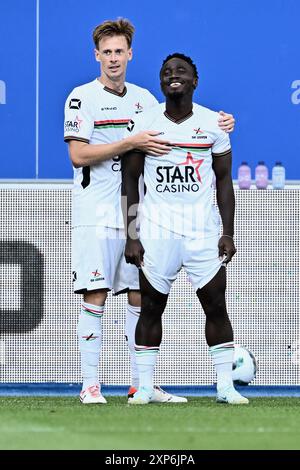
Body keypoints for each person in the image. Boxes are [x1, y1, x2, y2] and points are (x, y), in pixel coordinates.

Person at [64, 18, 236, 404]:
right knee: (95, 293)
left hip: (137, 216)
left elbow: (190, 126)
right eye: (106, 52)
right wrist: (130, 141)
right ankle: (90, 384)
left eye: (119, 51)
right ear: (96, 55)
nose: (112, 59)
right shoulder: (81, 97)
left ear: (130, 54)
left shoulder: (143, 100)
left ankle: (139, 384)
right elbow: (78, 155)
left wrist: (223, 121)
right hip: (96, 212)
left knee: (138, 297)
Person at [122, 53, 248, 405]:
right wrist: (131, 235)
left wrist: (228, 232)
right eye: (166, 73)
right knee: (150, 308)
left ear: (195, 80)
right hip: (156, 233)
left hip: (202, 234)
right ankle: (144, 387)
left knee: (216, 306)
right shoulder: (145, 124)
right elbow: (130, 183)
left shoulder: (213, 124)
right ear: (160, 83)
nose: (172, 76)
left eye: (180, 72)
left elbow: (224, 182)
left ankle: (225, 387)